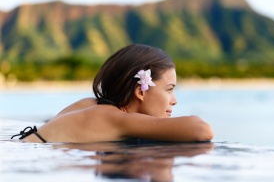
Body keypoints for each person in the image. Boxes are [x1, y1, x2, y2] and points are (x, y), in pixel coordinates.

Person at [11, 44, 214, 143]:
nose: (174, 101)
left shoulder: (91, 104)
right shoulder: (113, 117)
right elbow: (202, 130)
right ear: (140, 91)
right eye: (169, 90)